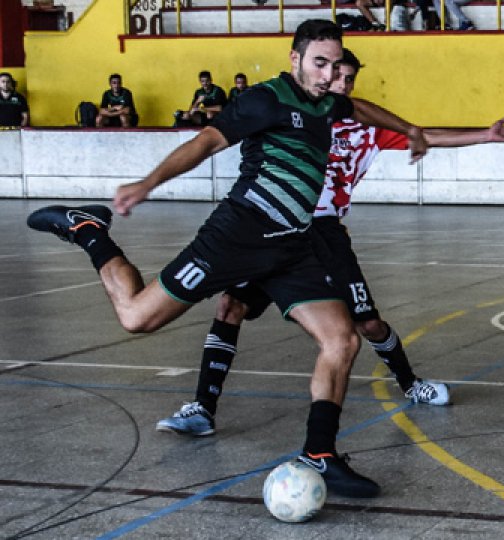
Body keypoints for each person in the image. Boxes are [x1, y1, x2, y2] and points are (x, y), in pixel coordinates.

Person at [28, 19, 436, 500]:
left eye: (333, 64)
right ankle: (89, 231)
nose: (327, 74)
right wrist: (146, 185)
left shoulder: (327, 100)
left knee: (342, 340)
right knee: (137, 316)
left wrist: (409, 128)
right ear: (295, 59)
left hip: (293, 243)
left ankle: (320, 455)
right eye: (318, 63)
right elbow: (206, 142)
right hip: (239, 233)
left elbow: (357, 107)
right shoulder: (266, 99)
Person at [156, 48, 504, 436]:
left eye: (349, 79)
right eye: (337, 76)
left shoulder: (363, 128)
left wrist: (486, 135)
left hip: (325, 232)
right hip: (274, 226)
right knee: (229, 306)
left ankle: (412, 384)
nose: (342, 84)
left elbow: (425, 134)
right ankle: (202, 408)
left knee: (368, 323)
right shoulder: (293, 115)